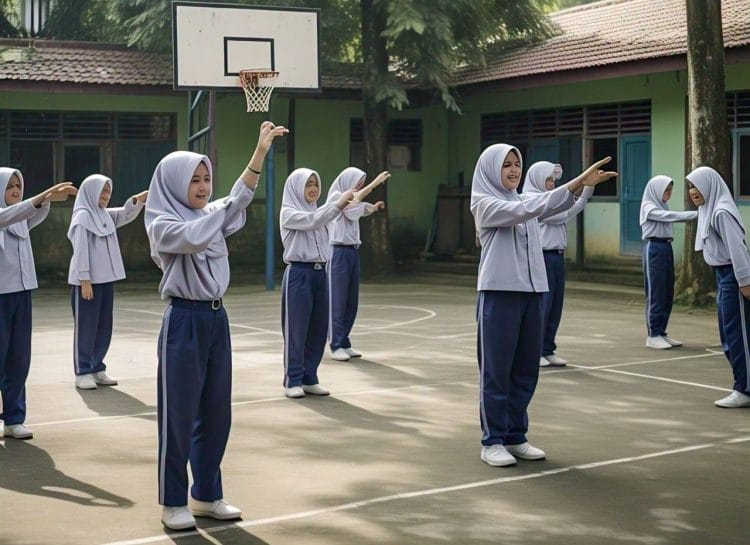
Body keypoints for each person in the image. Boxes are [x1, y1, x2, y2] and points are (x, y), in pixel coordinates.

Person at [145, 122, 287, 530]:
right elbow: (194, 235)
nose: (204, 186)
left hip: (215, 317)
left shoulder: (212, 212)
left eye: (207, 178)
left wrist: (258, 153)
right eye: (195, 180)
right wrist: (227, 206)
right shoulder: (162, 223)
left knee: (215, 412)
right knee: (178, 415)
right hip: (183, 320)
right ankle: (173, 501)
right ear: (174, 184)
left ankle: (206, 494)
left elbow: (238, 198)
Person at [470, 144, 616, 467]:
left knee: (525, 368)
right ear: (491, 170)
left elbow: (554, 207)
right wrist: (578, 181)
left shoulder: (524, 200)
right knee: (497, 371)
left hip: (533, 292)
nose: (513, 170)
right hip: (500, 293)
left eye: (516, 165)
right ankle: (492, 439)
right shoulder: (483, 204)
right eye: (506, 165)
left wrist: (583, 187)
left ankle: (515, 435)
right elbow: (528, 210)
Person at [0, 168, 76, 439]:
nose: (16, 190)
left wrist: (47, 201)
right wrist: (41, 196)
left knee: (19, 358)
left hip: (22, 295)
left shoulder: (19, 218)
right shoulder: (4, 215)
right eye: (10, 186)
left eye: (19, 185)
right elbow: (15, 213)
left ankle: (13, 418)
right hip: (0, 297)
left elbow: (31, 215)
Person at [280, 168, 357, 398]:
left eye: (315, 184)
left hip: (320, 273)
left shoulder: (321, 212)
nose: (313, 188)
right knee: (296, 330)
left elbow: (325, 218)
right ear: (296, 188)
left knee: (318, 328)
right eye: (308, 184)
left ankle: (309, 377)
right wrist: (338, 204)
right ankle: (292, 379)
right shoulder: (289, 213)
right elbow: (314, 221)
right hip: (298, 274)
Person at [68, 175, 147, 389]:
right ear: (90, 192)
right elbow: (81, 250)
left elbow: (124, 214)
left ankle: (97, 367)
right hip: (86, 283)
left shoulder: (104, 215)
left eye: (108, 192)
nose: (105, 196)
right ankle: (82, 370)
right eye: (102, 192)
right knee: (86, 327)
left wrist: (139, 199)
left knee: (103, 325)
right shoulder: (82, 217)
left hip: (105, 281)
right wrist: (85, 279)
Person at [687, 166, 750, 408]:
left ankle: (744, 388)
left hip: (733, 277)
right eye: (691, 187)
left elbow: (738, 249)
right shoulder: (710, 210)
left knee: (738, 336)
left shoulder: (721, 212)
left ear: (710, 186)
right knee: (729, 334)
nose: (693, 191)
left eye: (697, 186)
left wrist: (745, 282)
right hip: (723, 276)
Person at [522, 161, 594, 367]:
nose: (552, 184)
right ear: (537, 178)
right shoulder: (531, 200)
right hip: (542, 257)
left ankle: (547, 348)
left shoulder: (552, 202)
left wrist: (589, 186)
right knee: (542, 306)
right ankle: (534, 351)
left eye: (554, 180)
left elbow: (571, 210)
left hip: (556, 257)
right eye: (548, 180)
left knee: (555, 305)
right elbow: (562, 213)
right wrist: (580, 186)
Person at [325, 167, 386, 361]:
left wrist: (374, 207)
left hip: (352, 251)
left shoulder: (353, 200)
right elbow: (353, 208)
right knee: (338, 300)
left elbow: (360, 208)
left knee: (351, 300)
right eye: (357, 182)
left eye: (361, 183)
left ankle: (344, 341)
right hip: (338, 252)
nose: (358, 186)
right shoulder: (337, 196)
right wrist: (374, 184)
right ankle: (335, 344)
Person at [640, 175, 697, 350]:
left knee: (667, 291)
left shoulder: (661, 204)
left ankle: (662, 331)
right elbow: (669, 216)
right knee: (656, 292)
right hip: (654, 248)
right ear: (656, 190)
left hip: (665, 247)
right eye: (666, 190)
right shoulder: (648, 206)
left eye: (670, 190)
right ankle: (653, 334)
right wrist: (697, 214)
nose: (668, 193)